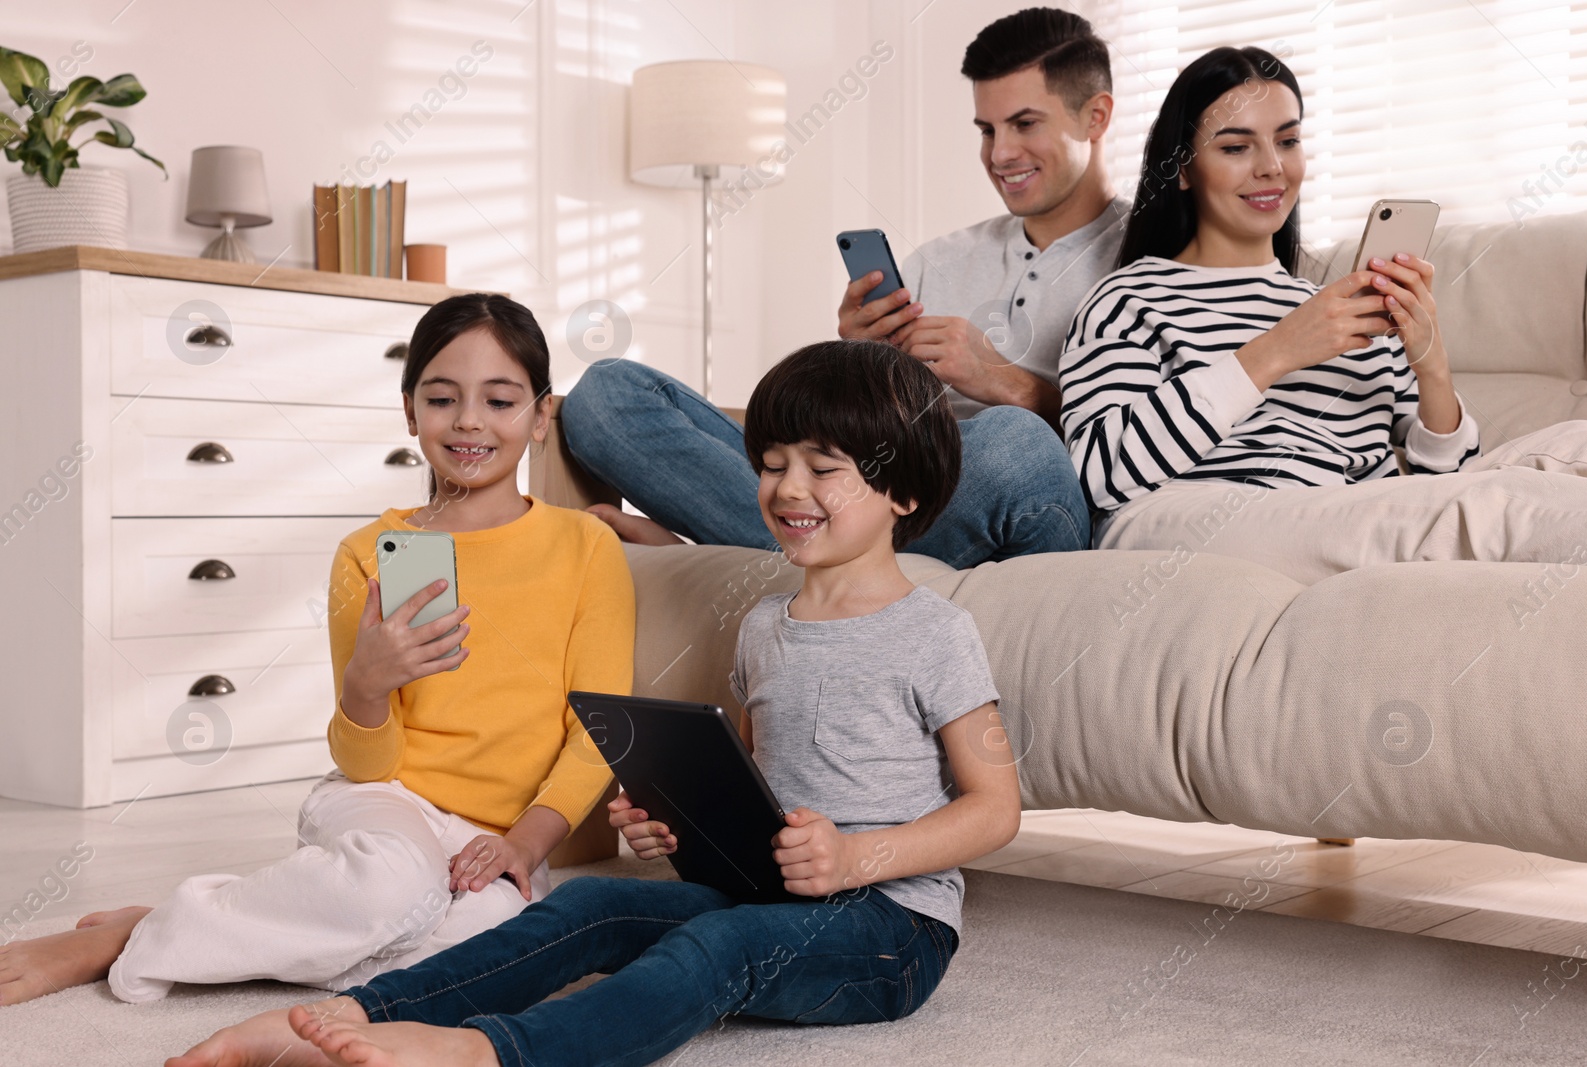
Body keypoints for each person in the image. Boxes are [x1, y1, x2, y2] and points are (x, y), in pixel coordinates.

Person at [166, 339, 1021, 1067]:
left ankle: (491, 1050)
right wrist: (675, 827)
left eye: (822, 468)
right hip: (774, 892)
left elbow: (996, 811)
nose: (788, 488)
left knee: (714, 948)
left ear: (903, 492)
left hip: (891, 927)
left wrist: (859, 858)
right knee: (591, 902)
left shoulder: (935, 632)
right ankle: (365, 1011)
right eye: (770, 464)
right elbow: (758, 789)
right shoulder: (767, 627)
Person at [0, 294, 634, 1006]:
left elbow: (599, 733)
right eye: (442, 397)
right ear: (408, 409)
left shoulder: (587, 549)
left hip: (509, 832)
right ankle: (131, 938)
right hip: (385, 803)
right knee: (394, 883)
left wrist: (524, 842)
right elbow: (369, 763)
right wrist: (366, 686)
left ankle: (192, 925)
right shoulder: (365, 556)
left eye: (500, 399)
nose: (469, 421)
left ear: (542, 415)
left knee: (487, 943)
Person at [561, 7, 1130, 571]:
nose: (1000, 153)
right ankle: (801, 555)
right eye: (987, 129)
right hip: (873, 488)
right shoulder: (939, 259)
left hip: (1001, 493)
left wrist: (1005, 382)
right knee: (606, 393)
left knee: (1014, 443)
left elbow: (1153, 437)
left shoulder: (1149, 258)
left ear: (1095, 117)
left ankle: (742, 550)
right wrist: (861, 368)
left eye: (1024, 124)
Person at [1058, 45, 1587, 585]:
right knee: (1485, 512)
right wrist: (1278, 350)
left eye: (1288, 141)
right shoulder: (1127, 299)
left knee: (1578, 443)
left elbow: (1446, 477)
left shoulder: (1342, 307)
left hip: (1352, 515)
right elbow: (1101, 478)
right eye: (1236, 147)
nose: (1272, 167)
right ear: (1181, 169)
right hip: (1195, 516)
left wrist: (1430, 363)